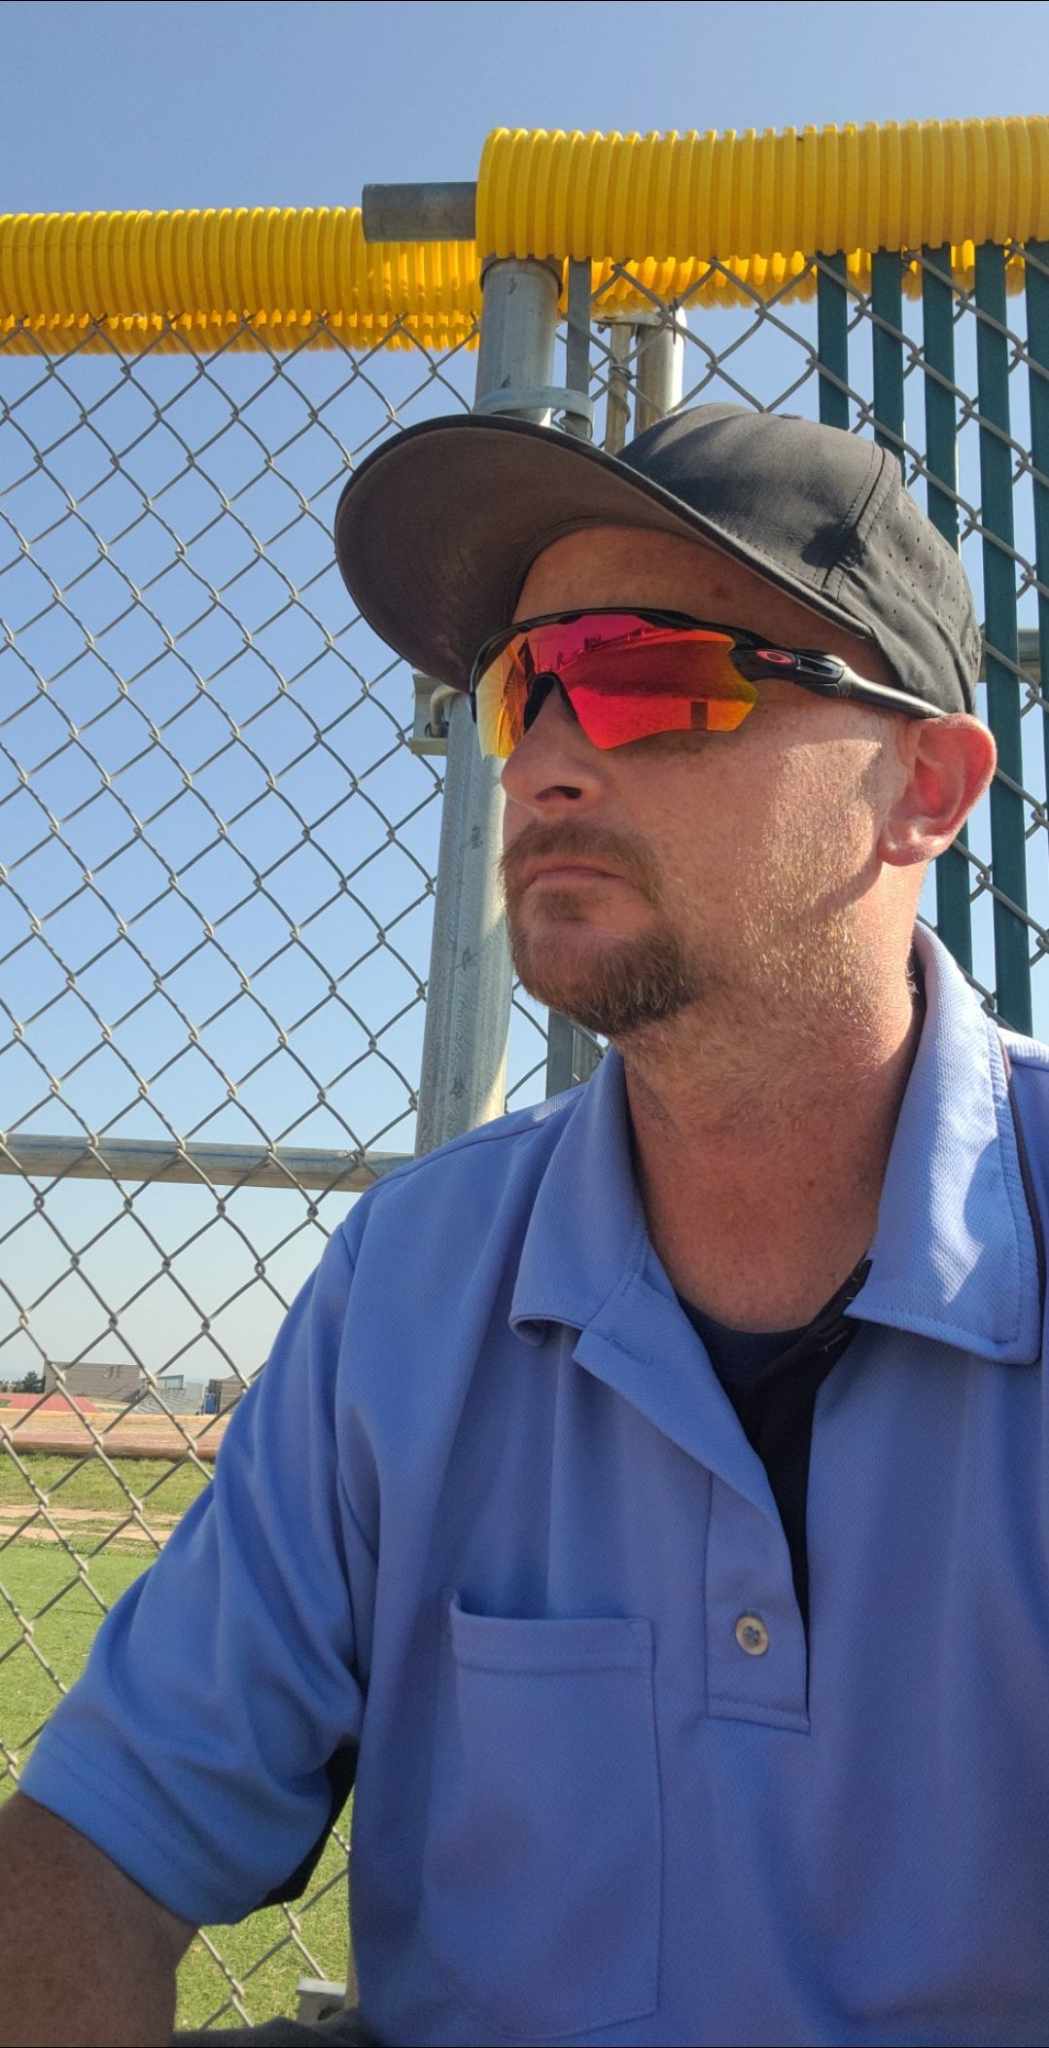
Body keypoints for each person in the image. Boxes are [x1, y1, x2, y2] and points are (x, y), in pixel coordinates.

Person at [10, 397, 1049, 2047]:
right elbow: (96, 1848)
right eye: (522, 687)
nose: (548, 761)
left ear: (923, 786)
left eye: (654, 676)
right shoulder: (414, 1279)